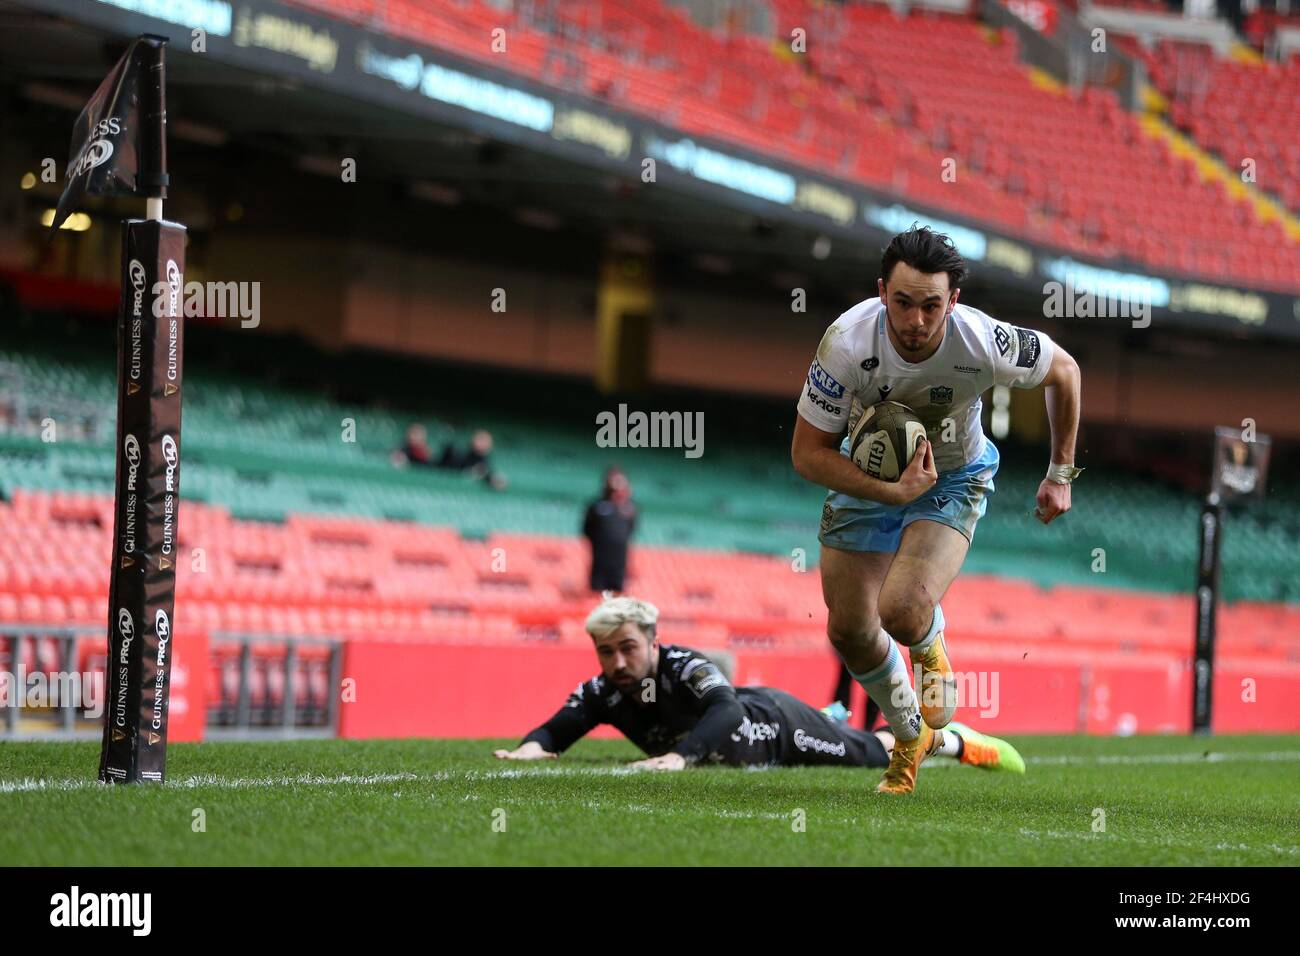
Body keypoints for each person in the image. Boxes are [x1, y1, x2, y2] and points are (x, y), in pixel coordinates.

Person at [790, 225, 1081, 794]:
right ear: (881, 292)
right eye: (902, 302)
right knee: (849, 631)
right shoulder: (846, 343)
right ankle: (909, 737)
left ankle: (928, 644)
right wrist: (891, 491)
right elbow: (806, 454)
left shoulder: (983, 342)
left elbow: (1065, 371)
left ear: (953, 302)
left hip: (954, 478)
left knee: (900, 610)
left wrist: (1060, 473)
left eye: (930, 306)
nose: (916, 321)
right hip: (869, 477)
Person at [493, 595, 1025, 776]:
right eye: (606, 651)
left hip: (776, 726)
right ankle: (837, 715)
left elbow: (725, 710)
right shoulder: (605, 690)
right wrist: (531, 750)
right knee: (852, 737)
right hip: (750, 736)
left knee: (868, 754)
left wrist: (681, 757)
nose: (617, 661)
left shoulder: (683, 665)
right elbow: (561, 727)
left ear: (653, 641)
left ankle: (952, 740)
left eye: (627, 647)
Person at [394, 424, 506, 489]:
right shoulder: (463, 454)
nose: (480, 443)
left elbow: (490, 475)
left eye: (484, 441)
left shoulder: (484, 462)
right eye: (479, 439)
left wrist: (493, 479)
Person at [582, 467, 637, 592]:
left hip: (619, 559)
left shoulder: (630, 508)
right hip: (600, 557)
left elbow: (631, 529)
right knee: (598, 589)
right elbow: (587, 529)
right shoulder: (597, 506)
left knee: (617, 591)